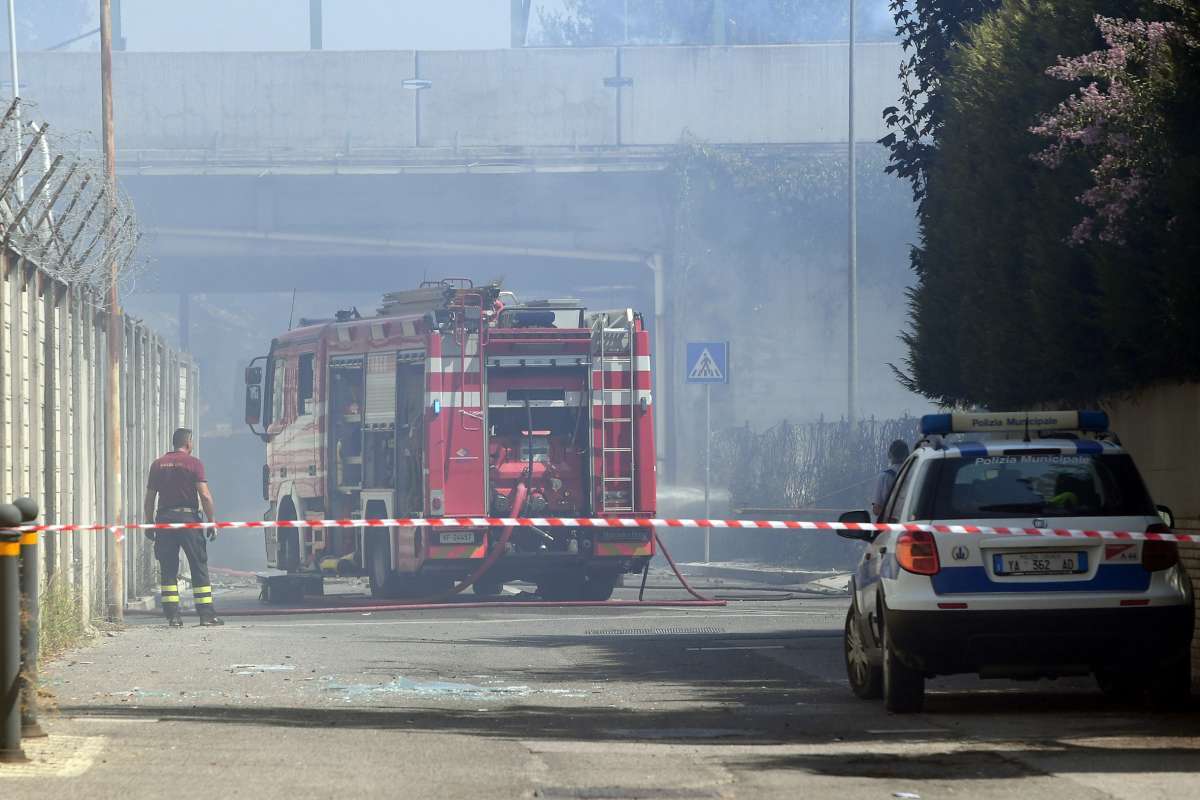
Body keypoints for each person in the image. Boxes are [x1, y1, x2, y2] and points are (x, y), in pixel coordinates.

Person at [143, 428, 223, 627]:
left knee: (168, 569)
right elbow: (204, 496)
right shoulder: (194, 463)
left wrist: (149, 522)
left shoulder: (157, 464)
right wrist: (211, 520)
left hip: (165, 520)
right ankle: (206, 615)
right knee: (198, 566)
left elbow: (150, 498)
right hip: (188, 519)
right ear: (188, 443)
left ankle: (173, 617)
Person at [871, 439, 910, 521]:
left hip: (890, 527)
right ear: (908, 455)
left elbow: (876, 509)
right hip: (912, 523)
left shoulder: (884, 477)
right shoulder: (915, 473)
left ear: (889, 454)